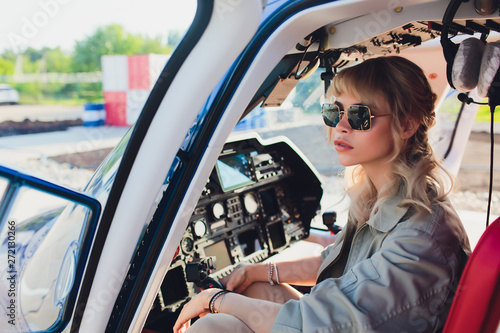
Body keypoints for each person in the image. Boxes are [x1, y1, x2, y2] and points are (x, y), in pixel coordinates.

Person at [173, 56, 471, 333]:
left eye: (358, 115)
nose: (340, 126)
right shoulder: (385, 199)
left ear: (406, 124)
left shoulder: (420, 237)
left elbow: (323, 324)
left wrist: (215, 300)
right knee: (254, 290)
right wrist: (256, 271)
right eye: (335, 111)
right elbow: (334, 262)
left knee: (211, 327)